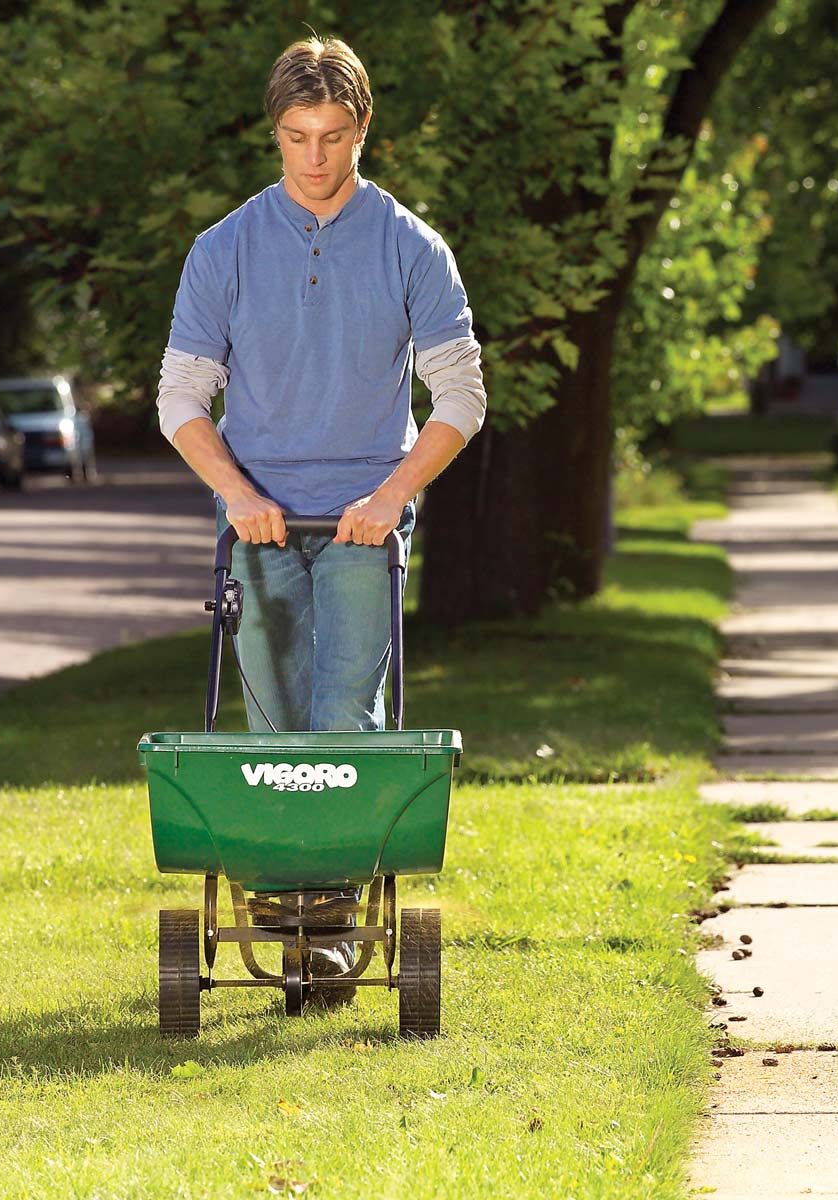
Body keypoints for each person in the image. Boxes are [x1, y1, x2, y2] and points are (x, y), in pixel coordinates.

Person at [155, 35, 486, 991]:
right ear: (275, 134)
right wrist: (238, 492)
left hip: (362, 520)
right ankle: (283, 912)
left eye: (333, 136)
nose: (314, 158)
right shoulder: (224, 248)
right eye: (296, 137)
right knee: (271, 725)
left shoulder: (410, 246)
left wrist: (390, 498)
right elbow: (182, 397)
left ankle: (332, 924)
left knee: (343, 719)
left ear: (362, 130)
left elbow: (459, 397)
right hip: (255, 520)